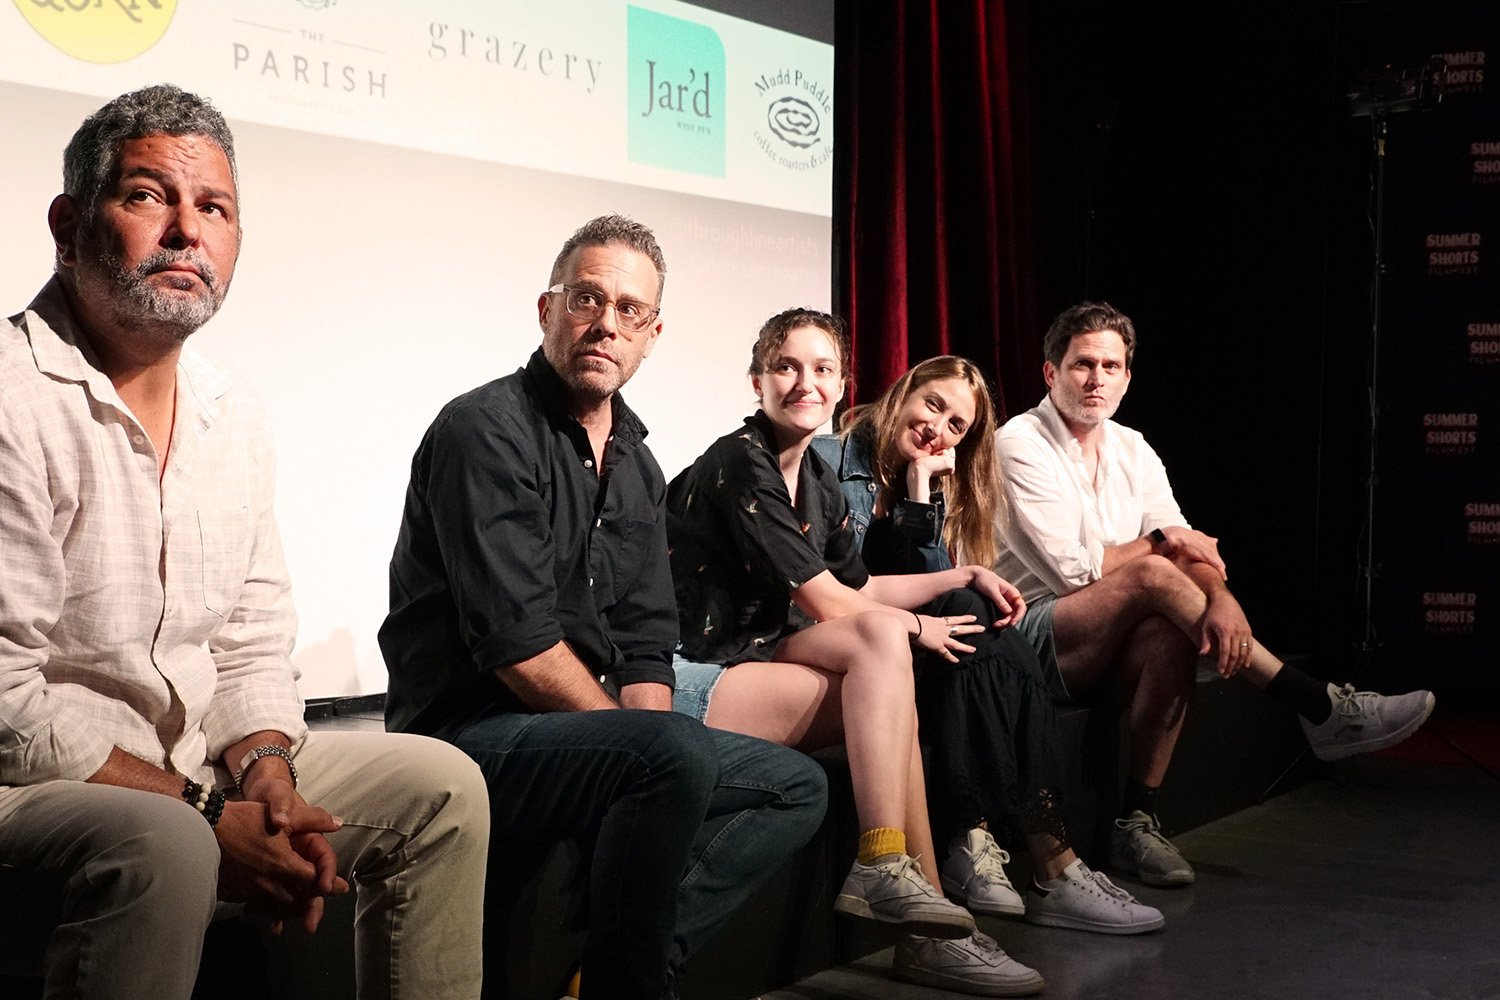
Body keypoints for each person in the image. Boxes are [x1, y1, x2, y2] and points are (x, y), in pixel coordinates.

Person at [0, 85, 490, 1000]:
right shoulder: (11, 398)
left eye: (215, 207)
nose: (189, 230)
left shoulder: (234, 411)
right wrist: (203, 810)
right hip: (28, 784)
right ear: (70, 225)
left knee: (440, 788)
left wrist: (265, 775)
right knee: (168, 845)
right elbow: (5, 704)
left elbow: (251, 638)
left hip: (190, 773)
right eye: (150, 196)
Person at [379, 216, 827, 1000]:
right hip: (466, 731)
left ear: (653, 334)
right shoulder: (483, 431)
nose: (605, 324)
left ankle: (613, 975)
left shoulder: (639, 465)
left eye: (629, 311)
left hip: (575, 730)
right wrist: (643, 740)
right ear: (548, 310)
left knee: (795, 786)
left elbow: (647, 639)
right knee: (669, 753)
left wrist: (644, 728)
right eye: (588, 299)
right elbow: (517, 648)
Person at [667, 310, 1046, 998]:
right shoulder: (740, 459)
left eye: (822, 369)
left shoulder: (813, 475)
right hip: (689, 674)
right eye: (786, 366)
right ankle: (913, 907)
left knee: (885, 670)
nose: (804, 382)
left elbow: (861, 586)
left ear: (843, 384)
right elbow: (824, 600)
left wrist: (961, 576)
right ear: (757, 380)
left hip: (757, 658)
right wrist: (918, 627)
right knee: (887, 650)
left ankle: (910, 899)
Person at [995, 301, 1436, 887]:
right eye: (1082, 364)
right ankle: (1319, 705)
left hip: (1106, 638)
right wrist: (1158, 543)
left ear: (1127, 377)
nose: (1096, 378)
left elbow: (1189, 546)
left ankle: (1137, 821)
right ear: (1050, 373)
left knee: (1169, 633)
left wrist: (1222, 599)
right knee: (1151, 578)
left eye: (1110, 365)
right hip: (1027, 635)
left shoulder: (1132, 447)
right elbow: (1079, 572)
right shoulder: (1018, 441)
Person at [813, 354, 1163, 936]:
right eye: (934, 405)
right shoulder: (825, 462)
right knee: (971, 608)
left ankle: (999, 849)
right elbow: (846, 592)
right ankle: (1036, 858)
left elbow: (925, 585)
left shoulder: (925, 476)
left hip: (896, 644)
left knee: (989, 623)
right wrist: (956, 575)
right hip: (838, 641)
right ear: (904, 390)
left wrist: (921, 492)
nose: (938, 429)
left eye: (957, 427)